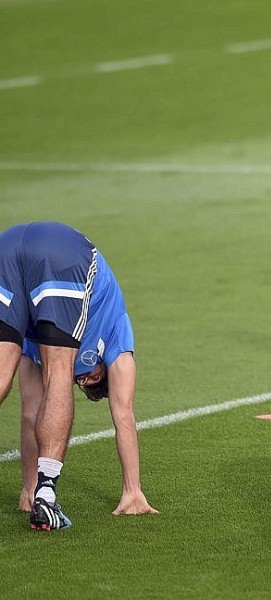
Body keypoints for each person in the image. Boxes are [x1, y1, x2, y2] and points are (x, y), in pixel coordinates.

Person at [0, 221, 156, 530]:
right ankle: (46, 497)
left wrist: (25, 489)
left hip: (7, 246)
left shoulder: (35, 341)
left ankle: (34, 493)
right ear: (106, 371)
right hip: (67, 254)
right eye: (94, 378)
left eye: (83, 383)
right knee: (58, 374)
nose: (83, 380)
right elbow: (123, 415)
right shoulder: (118, 337)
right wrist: (133, 491)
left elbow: (31, 413)